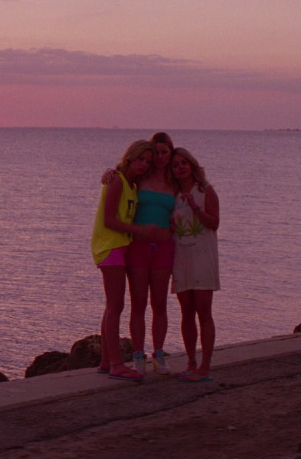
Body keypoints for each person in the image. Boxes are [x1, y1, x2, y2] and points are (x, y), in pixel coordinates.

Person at [91, 140, 156, 382]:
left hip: (122, 245)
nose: (143, 164)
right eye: (141, 159)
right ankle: (117, 364)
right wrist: (139, 230)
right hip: (110, 246)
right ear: (131, 157)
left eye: (147, 162)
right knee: (115, 305)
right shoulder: (117, 180)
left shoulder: (131, 184)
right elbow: (109, 220)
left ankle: (107, 361)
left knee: (113, 305)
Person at [125, 132, 177, 376]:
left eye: (164, 152)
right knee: (138, 304)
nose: (159, 157)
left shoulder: (175, 181)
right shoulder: (140, 178)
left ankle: (159, 353)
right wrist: (109, 173)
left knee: (160, 304)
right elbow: (121, 177)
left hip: (164, 249)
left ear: (170, 153)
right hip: (138, 248)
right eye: (156, 152)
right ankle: (138, 355)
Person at [169, 147, 219, 383]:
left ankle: (206, 366)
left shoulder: (205, 191)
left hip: (202, 259)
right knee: (186, 312)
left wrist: (196, 208)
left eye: (184, 163)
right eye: (176, 164)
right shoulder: (173, 196)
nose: (181, 167)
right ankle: (191, 362)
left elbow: (214, 223)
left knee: (203, 311)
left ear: (192, 164)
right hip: (181, 259)